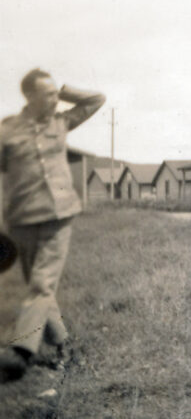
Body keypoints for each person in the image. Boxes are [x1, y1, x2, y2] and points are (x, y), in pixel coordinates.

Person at [0, 69, 105, 382]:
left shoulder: (61, 121)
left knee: (41, 285)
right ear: (29, 96)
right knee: (40, 289)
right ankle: (63, 346)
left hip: (59, 215)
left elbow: (96, 99)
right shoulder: (7, 130)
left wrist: (63, 90)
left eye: (55, 94)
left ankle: (21, 350)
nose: (54, 100)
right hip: (22, 218)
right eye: (46, 94)